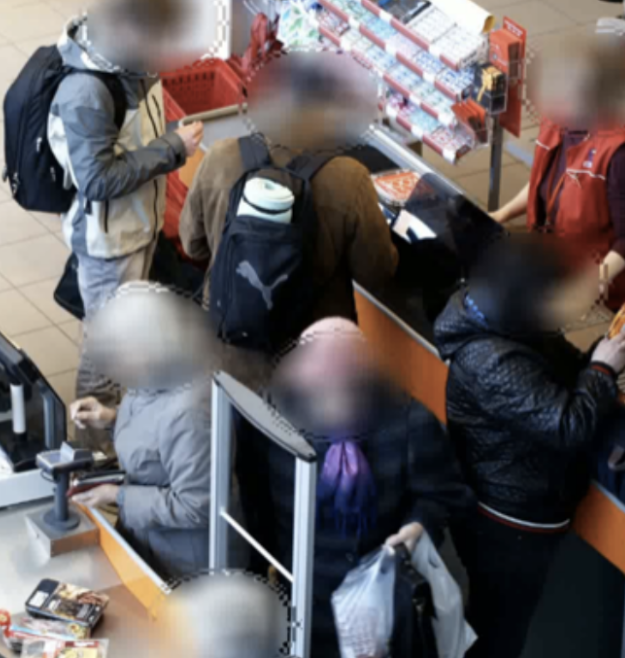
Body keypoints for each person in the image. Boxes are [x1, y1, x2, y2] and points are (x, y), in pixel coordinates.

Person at [433, 236, 625, 658]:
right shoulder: (491, 358)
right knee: (499, 631)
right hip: (509, 523)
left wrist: (596, 360)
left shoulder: (505, 318)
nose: (580, 301)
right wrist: (602, 368)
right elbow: (566, 425)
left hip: (508, 507)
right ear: (533, 299)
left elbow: (554, 372)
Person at [238, 318, 473, 657]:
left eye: (347, 387)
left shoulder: (409, 421)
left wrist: (418, 525)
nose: (334, 399)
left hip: (373, 603)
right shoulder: (271, 417)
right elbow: (254, 496)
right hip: (298, 593)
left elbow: (445, 493)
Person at [48, 0, 205, 453]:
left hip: (137, 227)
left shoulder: (137, 67)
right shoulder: (87, 92)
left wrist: (168, 138)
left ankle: (118, 438)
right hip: (107, 244)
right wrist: (172, 148)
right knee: (104, 355)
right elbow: (97, 179)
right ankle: (92, 456)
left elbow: (135, 137)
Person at [179, 51, 398, 323]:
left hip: (228, 337)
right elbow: (376, 272)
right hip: (313, 347)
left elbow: (192, 245)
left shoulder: (219, 157)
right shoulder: (350, 179)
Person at [67, 283, 217, 579]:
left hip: (182, 565)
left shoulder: (189, 413)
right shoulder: (153, 375)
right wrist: (109, 418)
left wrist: (118, 496)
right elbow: (155, 437)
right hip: (147, 539)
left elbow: (195, 507)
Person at [489, 34, 625, 310]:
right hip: (558, 266)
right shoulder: (557, 123)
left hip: (605, 285)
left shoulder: (620, 154)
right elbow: (541, 182)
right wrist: (502, 214)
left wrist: (591, 284)